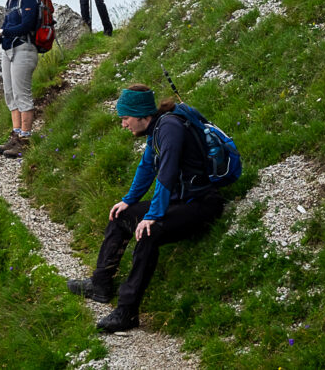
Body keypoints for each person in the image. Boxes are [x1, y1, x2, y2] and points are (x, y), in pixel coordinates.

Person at [66, 85, 224, 332]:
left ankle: (127, 312)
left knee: (149, 233)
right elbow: (147, 166)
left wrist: (152, 216)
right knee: (121, 215)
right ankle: (100, 285)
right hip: (180, 200)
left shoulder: (169, 129)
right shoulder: (158, 128)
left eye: (125, 119)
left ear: (142, 116)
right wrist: (128, 200)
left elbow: (167, 174)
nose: (123, 125)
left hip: (200, 204)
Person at [0, 0, 40, 158]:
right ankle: (16, 135)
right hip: (9, 49)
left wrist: (2, 32)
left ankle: (25, 139)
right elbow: (7, 24)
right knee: (10, 94)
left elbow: (27, 25)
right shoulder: (11, 0)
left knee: (22, 94)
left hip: (24, 49)